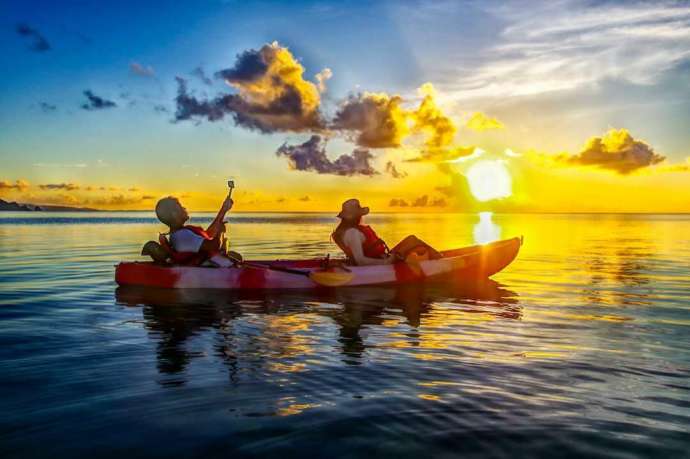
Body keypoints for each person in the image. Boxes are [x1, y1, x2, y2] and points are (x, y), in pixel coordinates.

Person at [331, 198, 443, 266]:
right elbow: (360, 261)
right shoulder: (352, 233)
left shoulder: (348, 231)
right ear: (357, 215)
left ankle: (437, 258)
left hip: (383, 258)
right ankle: (441, 260)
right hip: (381, 262)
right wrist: (387, 262)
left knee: (411, 240)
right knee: (413, 241)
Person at [151, 194, 235, 266]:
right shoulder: (182, 236)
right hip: (209, 271)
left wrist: (223, 210)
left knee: (235, 255)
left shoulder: (179, 234)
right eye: (181, 207)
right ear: (174, 214)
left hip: (209, 266)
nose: (184, 208)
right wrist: (219, 232)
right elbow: (213, 246)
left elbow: (208, 235)